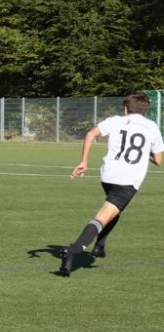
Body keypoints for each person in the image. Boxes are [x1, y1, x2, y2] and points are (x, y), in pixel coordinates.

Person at [58, 92, 163, 277]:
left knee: (115, 210)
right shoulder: (152, 127)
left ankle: (100, 246)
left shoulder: (115, 121)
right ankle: (74, 250)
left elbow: (91, 133)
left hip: (108, 176)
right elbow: (158, 160)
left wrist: (83, 162)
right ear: (145, 111)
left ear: (126, 109)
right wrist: (145, 153)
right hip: (127, 181)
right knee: (102, 217)